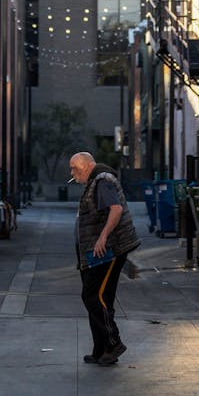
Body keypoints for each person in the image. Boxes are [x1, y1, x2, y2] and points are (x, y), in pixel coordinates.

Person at [69, 151, 140, 366]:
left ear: (87, 165)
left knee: (93, 296)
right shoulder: (94, 181)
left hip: (109, 250)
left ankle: (113, 343)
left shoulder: (102, 181)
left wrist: (102, 237)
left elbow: (116, 210)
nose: (72, 173)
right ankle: (102, 350)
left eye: (75, 168)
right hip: (95, 253)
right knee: (100, 298)